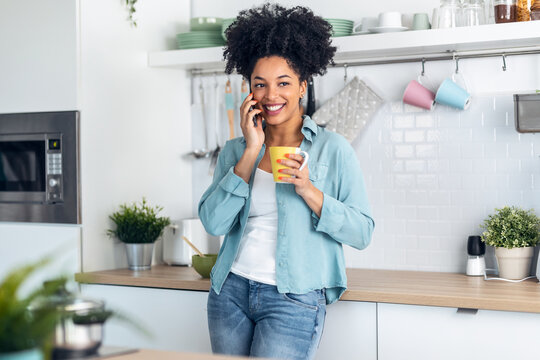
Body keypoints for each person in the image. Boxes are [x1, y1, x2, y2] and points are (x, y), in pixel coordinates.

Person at [198, 4, 374, 360]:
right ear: (249, 90)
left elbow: (362, 232)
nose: (271, 95)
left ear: (302, 86)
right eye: (260, 84)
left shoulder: (332, 150)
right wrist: (250, 152)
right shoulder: (236, 151)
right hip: (229, 292)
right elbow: (213, 222)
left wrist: (309, 190)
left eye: (283, 83)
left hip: (292, 298)